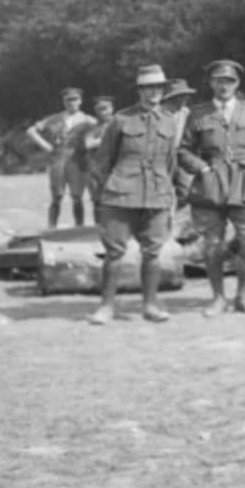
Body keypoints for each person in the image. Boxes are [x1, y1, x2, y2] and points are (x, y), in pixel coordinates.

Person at [87, 66, 180, 325]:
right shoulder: (121, 120)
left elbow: (170, 163)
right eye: (148, 87)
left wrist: (167, 192)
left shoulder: (169, 121)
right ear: (139, 90)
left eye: (159, 88)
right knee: (114, 252)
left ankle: (150, 305)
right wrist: (109, 192)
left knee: (152, 252)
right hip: (120, 197)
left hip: (157, 196)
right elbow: (101, 162)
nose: (154, 93)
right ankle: (106, 306)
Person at [178, 59, 245, 316]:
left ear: (237, 83)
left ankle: (243, 295)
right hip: (210, 186)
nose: (224, 85)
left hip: (243, 184)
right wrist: (203, 168)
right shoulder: (198, 113)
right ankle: (218, 298)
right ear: (210, 83)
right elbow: (184, 150)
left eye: (229, 81)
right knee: (213, 244)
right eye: (218, 80)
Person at [26, 87, 95, 227]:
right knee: (57, 196)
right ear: (63, 102)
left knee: (77, 196)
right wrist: (46, 146)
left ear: (80, 101)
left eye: (75, 99)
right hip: (57, 159)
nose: (71, 103)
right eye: (68, 100)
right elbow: (31, 131)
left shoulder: (88, 120)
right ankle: (52, 228)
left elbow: (101, 133)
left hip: (77, 160)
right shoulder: (54, 118)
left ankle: (79, 228)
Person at [70, 95, 116, 224]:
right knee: (97, 201)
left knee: (116, 200)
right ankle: (99, 229)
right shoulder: (92, 128)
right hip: (96, 169)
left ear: (112, 108)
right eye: (99, 109)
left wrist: (99, 142)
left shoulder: (119, 124)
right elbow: (87, 144)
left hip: (116, 168)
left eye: (105, 108)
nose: (103, 112)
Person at [162, 78, 197, 207]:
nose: (184, 99)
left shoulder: (187, 113)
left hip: (180, 155)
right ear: (172, 97)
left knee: (186, 191)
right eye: (181, 96)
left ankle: (176, 216)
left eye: (185, 96)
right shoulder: (159, 112)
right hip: (161, 156)